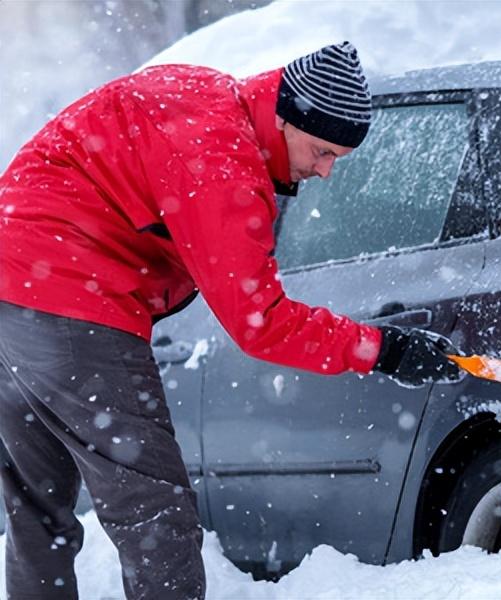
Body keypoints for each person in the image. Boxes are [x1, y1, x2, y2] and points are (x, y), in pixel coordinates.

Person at [0, 41, 459, 600]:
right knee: (153, 512)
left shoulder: (205, 94)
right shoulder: (222, 162)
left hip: (13, 284)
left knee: (36, 506)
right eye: (321, 151)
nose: (326, 171)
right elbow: (261, 323)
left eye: (338, 157)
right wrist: (381, 349)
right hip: (69, 295)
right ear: (289, 117)